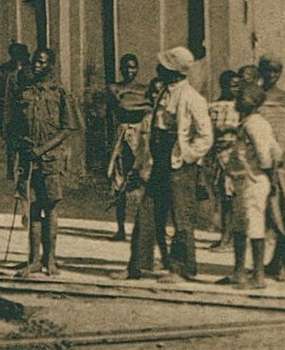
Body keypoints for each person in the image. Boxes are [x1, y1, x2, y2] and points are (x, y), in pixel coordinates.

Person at [122, 46, 214, 282]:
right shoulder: (163, 92)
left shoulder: (192, 98)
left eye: (163, 66)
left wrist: (188, 157)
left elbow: (205, 136)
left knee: (182, 217)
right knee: (147, 213)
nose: (157, 69)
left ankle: (182, 268)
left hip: (178, 164)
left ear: (173, 71)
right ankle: (138, 266)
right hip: (159, 162)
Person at [12, 47, 81, 278]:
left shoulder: (60, 92)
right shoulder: (24, 91)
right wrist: (21, 144)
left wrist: (43, 148)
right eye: (36, 62)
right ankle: (32, 261)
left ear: (51, 65)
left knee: (50, 208)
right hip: (29, 160)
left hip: (51, 160)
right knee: (32, 209)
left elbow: (68, 127)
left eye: (43, 63)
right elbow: (13, 124)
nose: (38, 66)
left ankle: (50, 260)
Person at [219, 80, 278, 290]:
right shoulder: (246, 122)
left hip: (253, 181)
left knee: (254, 226)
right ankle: (239, 272)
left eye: (242, 97)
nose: (238, 100)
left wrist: (267, 176)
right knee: (239, 226)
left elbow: (266, 155)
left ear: (253, 102)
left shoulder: (255, 124)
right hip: (242, 182)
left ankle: (259, 276)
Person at [255, 56, 285, 280]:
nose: (271, 75)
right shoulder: (254, 97)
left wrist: (284, 159)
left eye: (276, 71)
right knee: (262, 213)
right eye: (268, 71)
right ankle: (265, 263)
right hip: (261, 163)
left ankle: (282, 262)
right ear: (261, 71)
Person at [104, 53, 149, 241]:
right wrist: (143, 104)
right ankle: (121, 228)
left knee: (141, 177)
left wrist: (132, 101)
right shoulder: (114, 87)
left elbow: (150, 106)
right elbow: (122, 107)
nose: (130, 71)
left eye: (133, 67)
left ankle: (142, 228)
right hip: (122, 135)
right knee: (119, 179)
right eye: (127, 67)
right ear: (121, 69)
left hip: (141, 135)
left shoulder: (143, 87)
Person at [206, 70, 243, 251]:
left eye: (238, 85)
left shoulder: (242, 108)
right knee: (223, 197)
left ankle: (229, 238)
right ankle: (225, 235)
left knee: (231, 198)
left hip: (234, 156)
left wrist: (230, 130)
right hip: (217, 156)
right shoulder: (213, 106)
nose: (236, 89)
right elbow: (208, 131)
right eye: (233, 85)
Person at [0, 43, 31, 180]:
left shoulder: (30, 70)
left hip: (26, 111)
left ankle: (24, 169)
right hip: (8, 109)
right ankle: (10, 170)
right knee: (10, 140)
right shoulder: (2, 71)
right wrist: (4, 108)